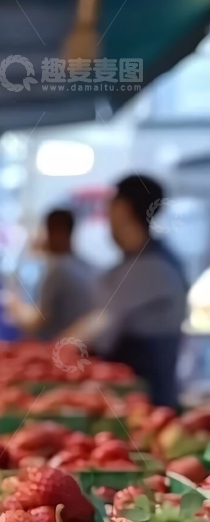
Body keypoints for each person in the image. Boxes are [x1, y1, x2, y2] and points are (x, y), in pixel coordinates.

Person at [72, 174, 187, 408]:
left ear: (122, 209)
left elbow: (97, 324)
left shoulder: (152, 268)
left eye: (109, 207)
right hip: (130, 404)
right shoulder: (139, 263)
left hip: (149, 410)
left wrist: (52, 353)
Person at [7, 209, 97, 340]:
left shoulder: (58, 271)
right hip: (83, 345)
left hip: (60, 347)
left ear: (54, 232)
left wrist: (15, 308)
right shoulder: (87, 267)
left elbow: (36, 322)